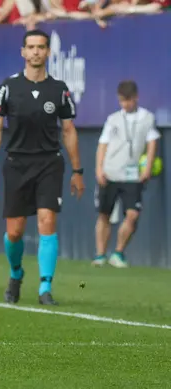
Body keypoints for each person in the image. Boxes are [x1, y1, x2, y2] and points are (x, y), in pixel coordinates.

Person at [0, 29, 85, 307]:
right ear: (23, 52)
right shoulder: (8, 87)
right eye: (31, 47)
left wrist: (78, 171)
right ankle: (16, 274)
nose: (36, 51)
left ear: (48, 52)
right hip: (16, 164)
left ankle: (45, 287)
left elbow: (69, 131)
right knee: (14, 232)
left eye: (41, 47)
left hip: (49, 163)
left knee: (46, 222)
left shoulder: (59, 90)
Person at [93, 80, 160, 268]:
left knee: (132, 215)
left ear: (136, 98)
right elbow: (103, 144)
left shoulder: (147, 118)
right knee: (104, 214)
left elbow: (152, 142)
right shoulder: (112, 119)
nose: (125, 104)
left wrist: (147, 169)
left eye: (128, 100)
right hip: (111, 172)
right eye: (122, 101)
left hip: (132, 175)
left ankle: (118, 252)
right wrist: (99, 169)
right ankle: (100, 255)